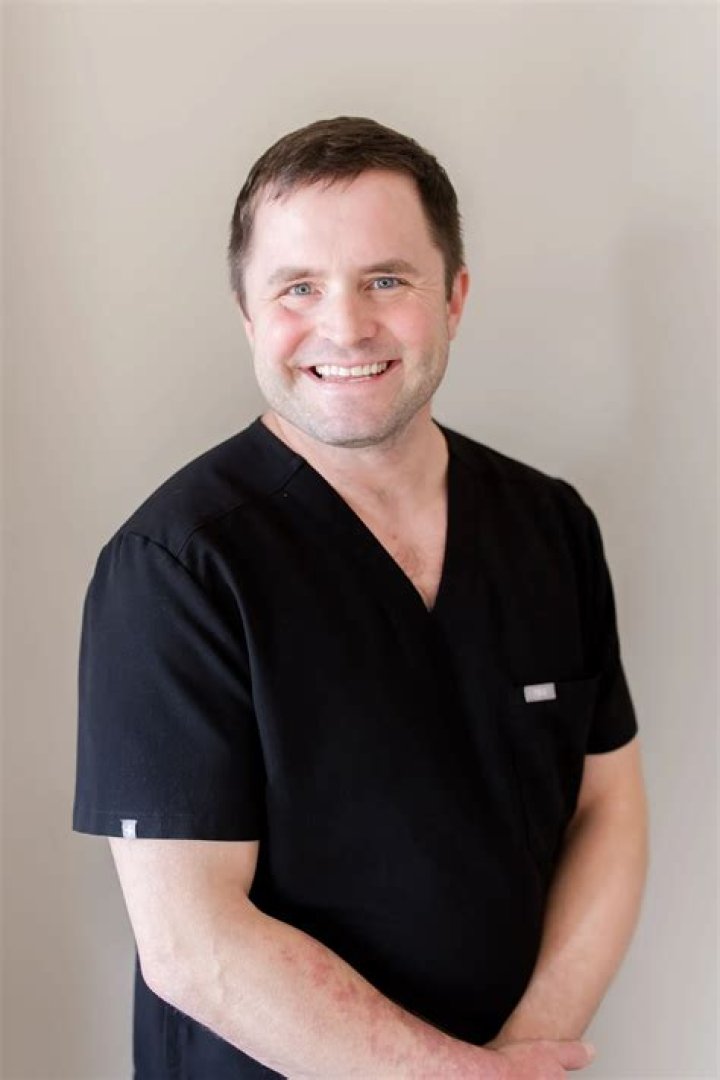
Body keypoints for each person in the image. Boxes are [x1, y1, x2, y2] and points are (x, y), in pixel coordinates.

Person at [73, 116, 649, 1079]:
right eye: (298, 287)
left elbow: (609, 808)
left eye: (387, 280)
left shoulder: (550, 525)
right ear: (248, 313)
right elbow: (193, 945)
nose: (344, 327)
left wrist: (525, 1055)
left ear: (454, 296)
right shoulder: (175, 568)